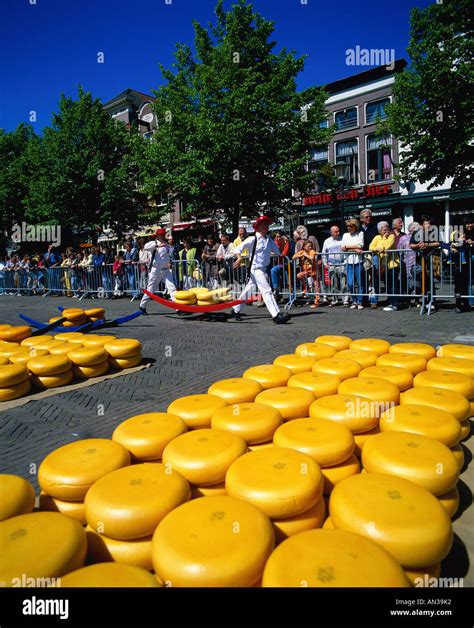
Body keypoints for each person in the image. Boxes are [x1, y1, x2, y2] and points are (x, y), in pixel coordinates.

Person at [231, 216, 290, 324]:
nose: (267, 226)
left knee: (249, 291)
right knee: (267, 290)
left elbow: (279, 253)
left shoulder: (269, 240)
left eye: (267, 224)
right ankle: (276, 315)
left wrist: (283, 242)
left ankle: (235, 309)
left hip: (262, 269)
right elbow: (237, 249)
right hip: (256, 269)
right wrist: (239, 258)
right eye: (264, 224)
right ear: (258, 227)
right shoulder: (253, 239)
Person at [139, 228, 177, 314]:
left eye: (164, 234)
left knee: (172, 287)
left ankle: (178, 307)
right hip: (156, 271)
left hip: (166, 270)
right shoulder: (154, 243)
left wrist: (170, 262)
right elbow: (145, 247)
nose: (163, 236)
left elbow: (167, 255)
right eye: (162, 234)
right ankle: (142, 306)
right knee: (150, 289)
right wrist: (157, 246)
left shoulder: (166, 244)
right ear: (158, 236)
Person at [409, 215, 440, 311]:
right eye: (427, 223)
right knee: (422, 280)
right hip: (420, 260)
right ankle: (423, 300)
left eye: (430, 223)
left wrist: (428, 245)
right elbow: (411, 245)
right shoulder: (416, 233)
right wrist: (418, 245)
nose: (429, 225)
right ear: (422, 225)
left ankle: (432, 301)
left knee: (430, 281)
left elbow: (438, 243)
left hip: (431, 259)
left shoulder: (433, 232)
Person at [370, 221, 400, 311]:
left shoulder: (391, 236)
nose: (386, 231)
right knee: (388, 285)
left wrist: (383, 240)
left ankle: (394, 304)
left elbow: (387, 246)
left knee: (393, 284)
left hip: (392, 264)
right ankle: (390, 302)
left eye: (387, 228)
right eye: (384, 229)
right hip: (383, 265)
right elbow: (371, 247)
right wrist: (376, 249)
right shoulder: (376, 237)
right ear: (379, 231)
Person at [322, 225, 348, 307]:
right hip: (331, 265)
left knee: (343, 283)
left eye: (338, 231)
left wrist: (346, 262)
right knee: (334, 284)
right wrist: (325, 263)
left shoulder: (343, 240)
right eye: (336, 232)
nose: (338, 233)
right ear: (331, 232)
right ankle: (335, 300)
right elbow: (323, 253)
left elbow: (346, 251)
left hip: (342, 264)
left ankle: (345, 301)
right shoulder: (327, 241)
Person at [341, 218, 364, 309]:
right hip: (348, 261)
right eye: (347, 226)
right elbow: (342, 248)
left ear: (355, 226)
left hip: (358, 261)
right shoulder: (345, 235)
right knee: (350, 283)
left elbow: (360, 245)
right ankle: (354, 300)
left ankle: (359, 301)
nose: (349, 228)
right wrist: (355, 249)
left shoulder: (360, 234)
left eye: (350, 226)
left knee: (360, 283)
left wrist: (348, 247)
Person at [293, 240, 319, 308]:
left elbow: (311, 257)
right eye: (308, 246)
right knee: (299, 276)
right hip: (306, 271)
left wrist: (305, 255)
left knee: (316, 285)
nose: (310, 247)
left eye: (311, 246)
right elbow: (293, 257)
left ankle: (316, 301)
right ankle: (306, 288)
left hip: (313, 271)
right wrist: (300, 255)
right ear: (304, 247)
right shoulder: (302, 251)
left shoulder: (312, 251)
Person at [270, 231, 290, 302]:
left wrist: (277, 253)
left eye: (279, 237)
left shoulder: (286, 242)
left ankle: (292, 297)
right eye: (276, 237)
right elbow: (271, 251)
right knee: (273, 271)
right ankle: (276, 290)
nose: (278, 238)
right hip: (277, 263)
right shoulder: (274, 243)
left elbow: (284, 253)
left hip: (286, 263)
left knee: (288, 280)